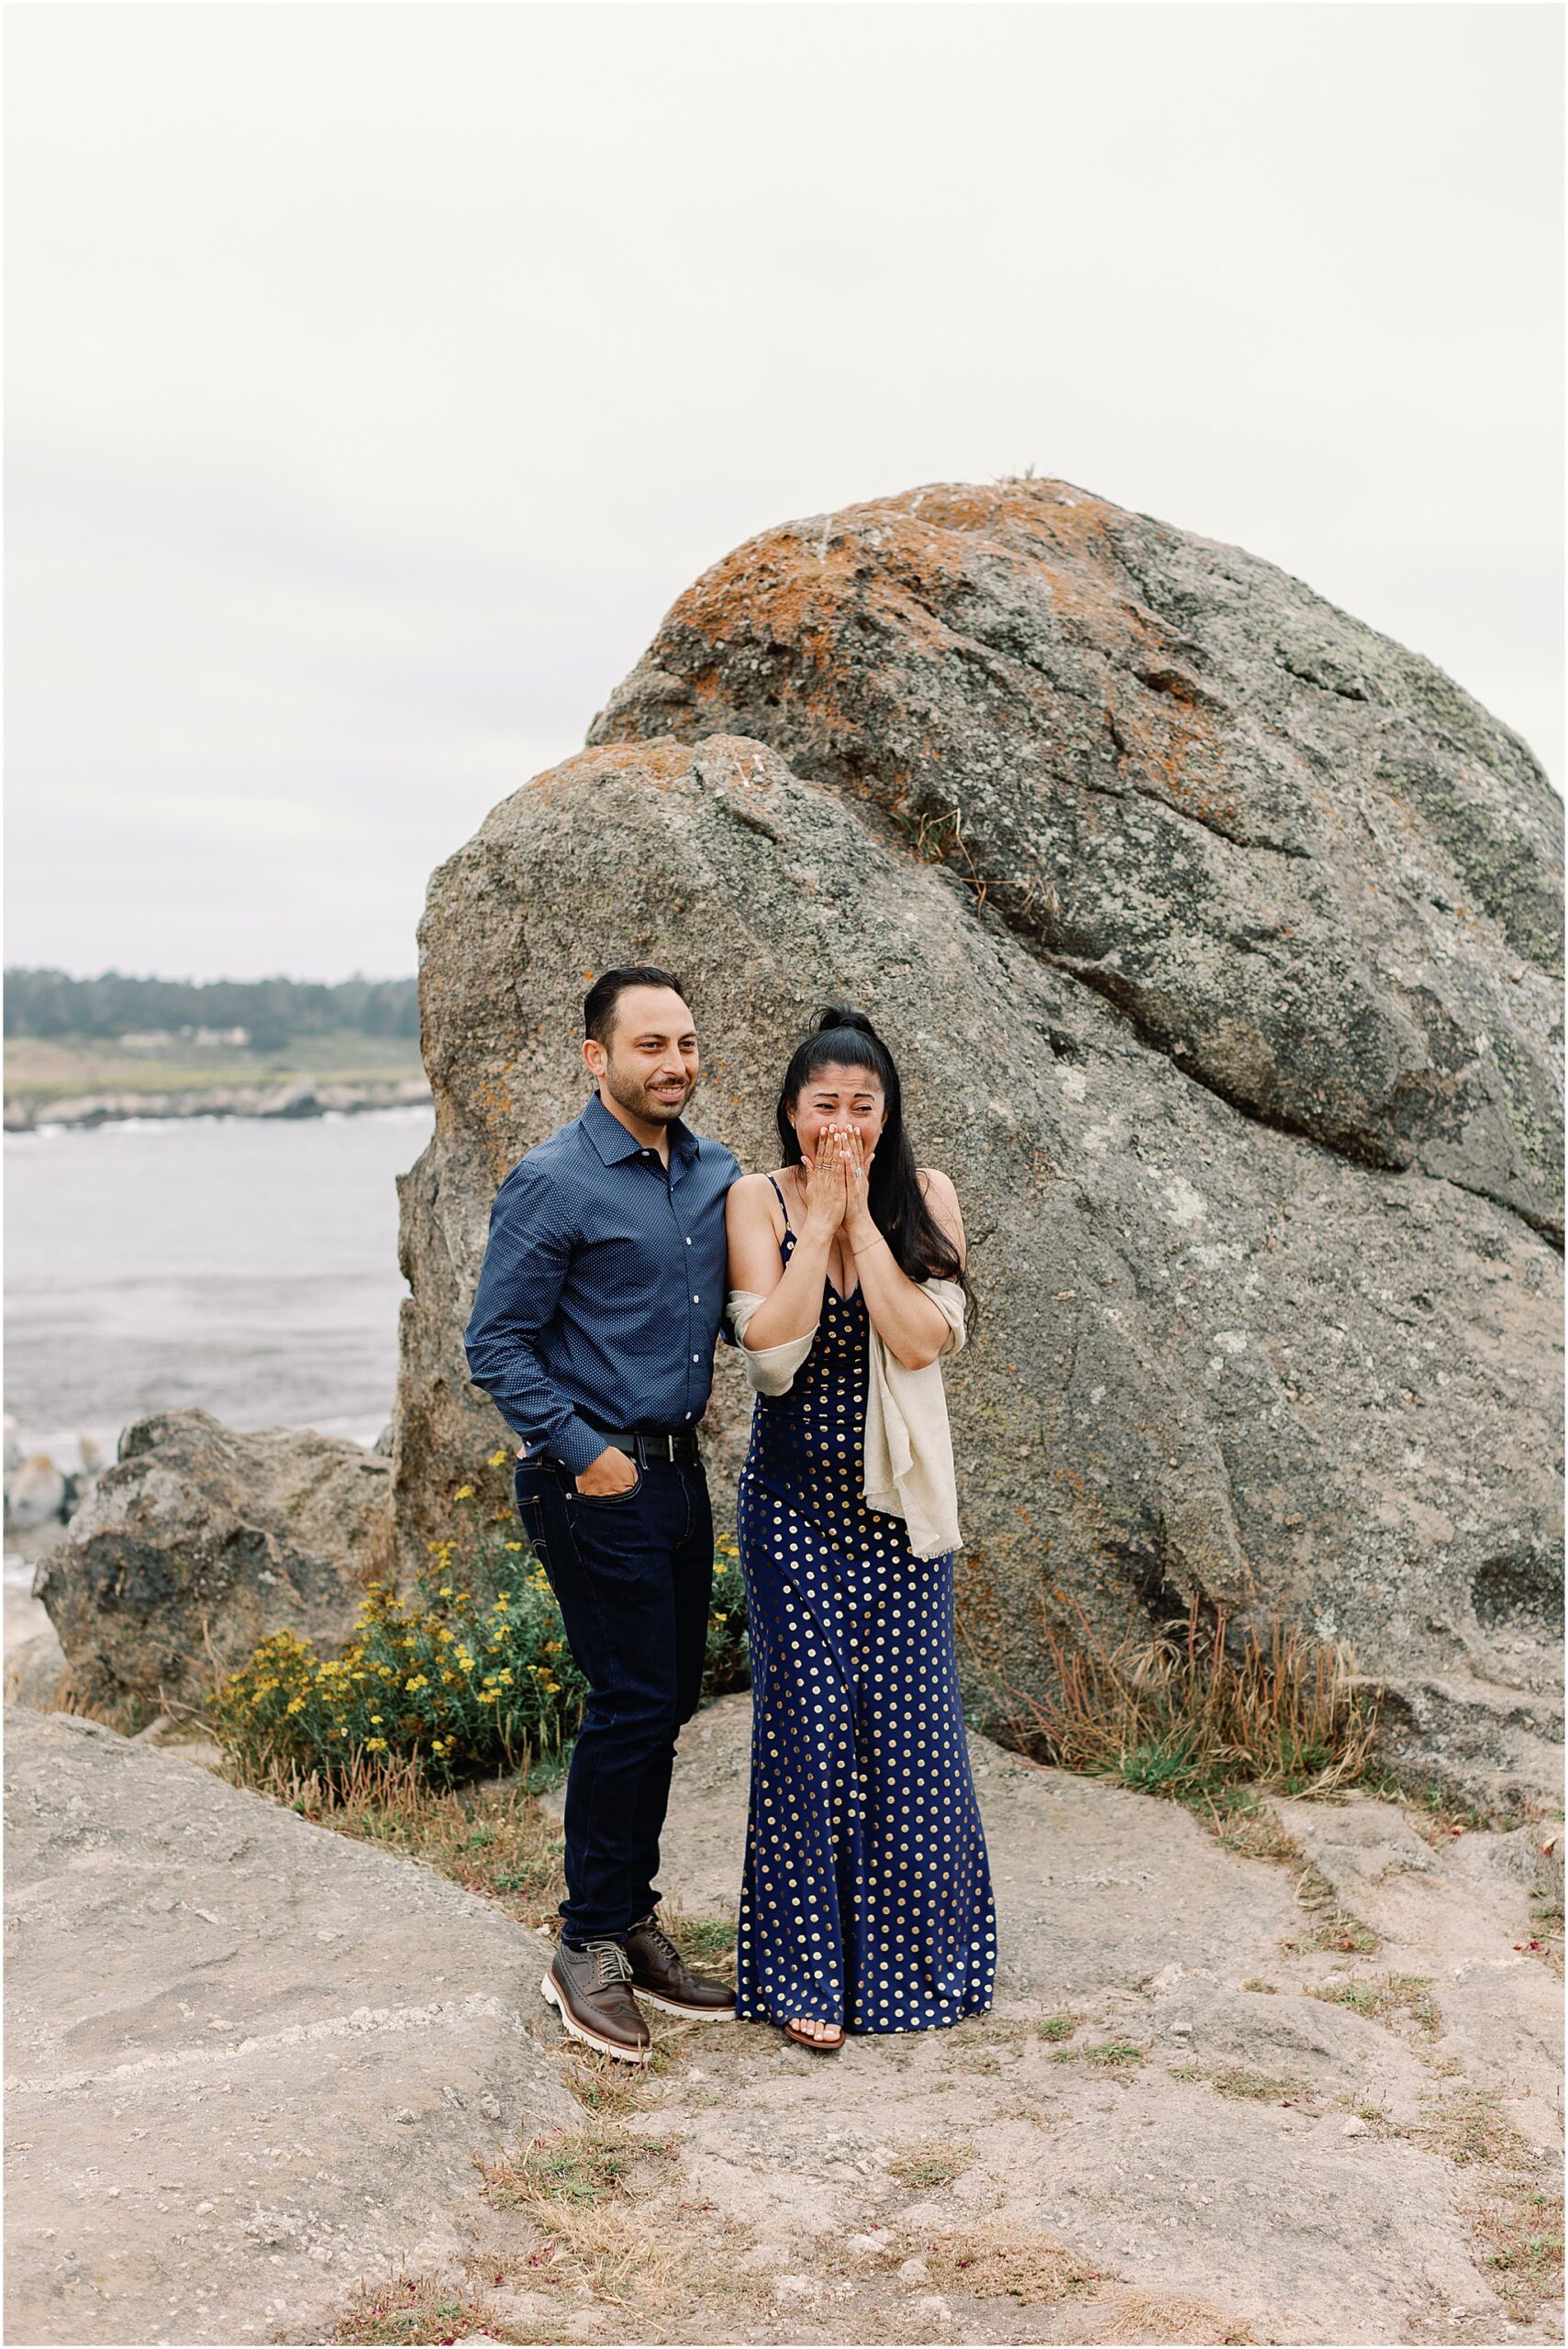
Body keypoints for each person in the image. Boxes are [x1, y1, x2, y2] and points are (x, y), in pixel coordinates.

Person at [463, 965, 741, 2064]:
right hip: (592, 1479)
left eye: (684, 1042)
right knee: (629, 1699)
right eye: (648, 1046)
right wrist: (586, 1456)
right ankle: (583, 1942)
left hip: (679, 1473)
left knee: (666, 1698)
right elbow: (495, 1342)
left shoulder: (715, 1174)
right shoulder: (554, 1180)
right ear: (597, 1058)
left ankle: (629, 1918)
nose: (673, 1063)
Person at [724, 1006, 996, 2051]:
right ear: (792, 1112)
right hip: (791, 1509)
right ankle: (803, 1974)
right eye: (824, 1105)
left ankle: (921, 1966)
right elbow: (769, 1353)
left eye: (863, 1106)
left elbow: (926, 1339)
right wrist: (816, 1224)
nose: (844, 1123)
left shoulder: (925, 1196)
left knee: (914, 1736)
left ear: (888, 1114)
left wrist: (862, 1223)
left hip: (899, 1510)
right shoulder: (755, 1199)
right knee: (804, 1738)